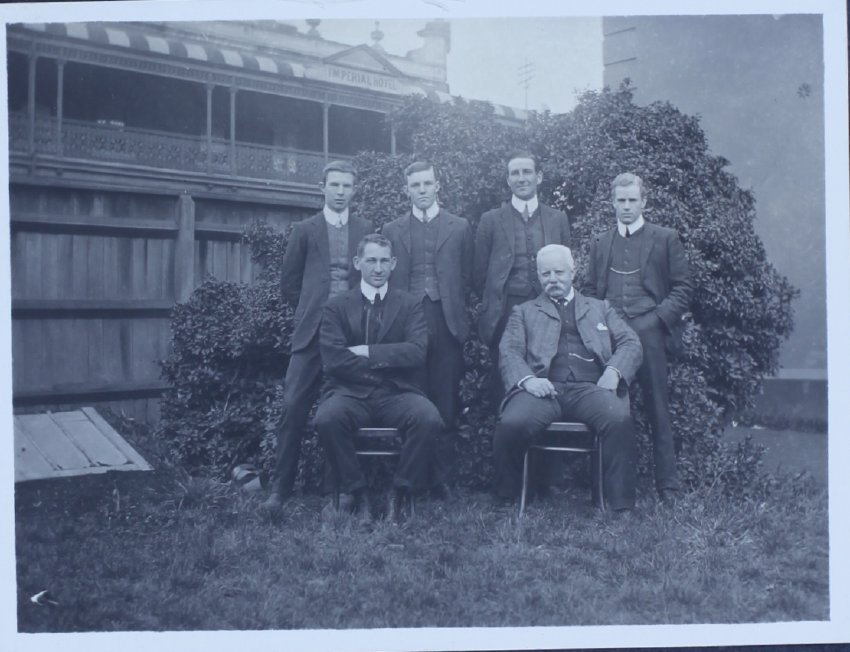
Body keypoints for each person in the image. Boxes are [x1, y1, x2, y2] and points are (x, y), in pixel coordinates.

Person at [493, 244, 642, 511]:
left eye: (559, 272)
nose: (553, 279)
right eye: (546, 274)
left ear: (573, 271)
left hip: (590, 388)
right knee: (511, 423)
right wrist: (529, 380)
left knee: (619, 419)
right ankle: (506, 496)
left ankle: (621, 505)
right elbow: (509, 352)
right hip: (543, 388)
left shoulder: (600, 308)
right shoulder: (524, 312)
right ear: (538, 277)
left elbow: (630, 342)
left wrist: (613, 371)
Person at [262, 160, 373, 510]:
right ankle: (280, 489)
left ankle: (335, 490)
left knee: (338, 409)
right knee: (293, 407)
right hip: (311, 334)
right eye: (334, 185)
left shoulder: (366, 228)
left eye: (347, 186)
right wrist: (316, 311)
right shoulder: (305, 229)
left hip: (352, 333)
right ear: (322, 187)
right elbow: (290, 285)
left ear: (355, 190)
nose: (340, 192)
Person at [314, 234, 443, 521]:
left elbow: (416, 352)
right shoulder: (336, 306)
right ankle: (357, 493)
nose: (378, 268)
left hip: (397, 393)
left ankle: (401, 492)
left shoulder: (410, 305)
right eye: (371, 260)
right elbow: (333, 359)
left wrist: (367, 352)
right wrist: (385, 364)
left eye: (384, 261)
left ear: (394, 264)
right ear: (357, 263)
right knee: (327, 419)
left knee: (428, 418)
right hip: (350, 393)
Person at [584, 173, 693, 503]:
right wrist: (599, 323)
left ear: (644, 201)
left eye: (633, 200)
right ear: (613, 202)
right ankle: (610, 488)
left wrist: (656, 321)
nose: (627, 206)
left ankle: (668, 487)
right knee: (609, 408)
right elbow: (590, 291)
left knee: (658, 407)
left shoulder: (665, 238)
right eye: (621, 200)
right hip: (610, 338)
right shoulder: (601, 243)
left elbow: (683, 288)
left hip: (649, 334)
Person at [381, 161, 473, 494]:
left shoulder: (460, 227)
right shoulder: (392, 230)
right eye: (415, 185)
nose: (421, 190)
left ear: (438, 186)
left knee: (446, 402)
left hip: (446, 321)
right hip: (408, 326)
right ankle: (413, 480)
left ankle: (442, 480)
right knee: (411, 399)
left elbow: (468, 276)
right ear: (406, 190)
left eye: (427, 183)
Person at [474, 150, 571, 383]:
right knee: (505, 373)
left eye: (527, 172)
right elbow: (479, 274)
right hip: (506, 309)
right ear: (508, 180)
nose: (521, 178)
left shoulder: (557, 218)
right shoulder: (491, 220)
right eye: (515, 173)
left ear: (538, 177)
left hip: (548, 306)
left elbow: (565, 265)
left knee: (549, 370)